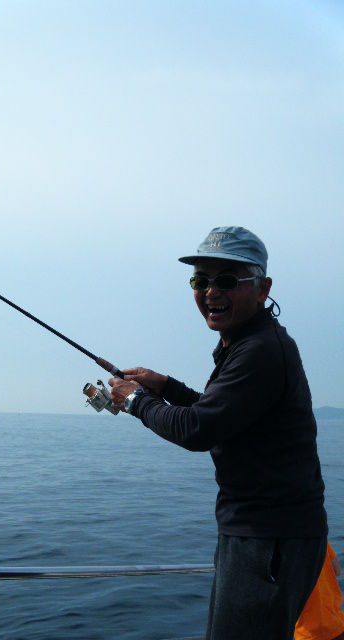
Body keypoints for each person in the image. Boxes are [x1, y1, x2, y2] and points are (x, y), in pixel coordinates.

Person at [109, 226, 328, 640]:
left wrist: (136, 401)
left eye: (226, 280)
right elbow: (223, 414)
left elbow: (198, 429)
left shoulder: (260, 350)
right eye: (201, 280)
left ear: (263, 289)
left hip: (269, 540)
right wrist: (166, 386)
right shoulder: (246, 342)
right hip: (265, 536)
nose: (211, 291)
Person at [295, 541, 344, 640]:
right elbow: (337, 571)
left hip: (309, 633)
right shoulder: (320, 540)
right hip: (336, 623)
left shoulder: (285, 548)